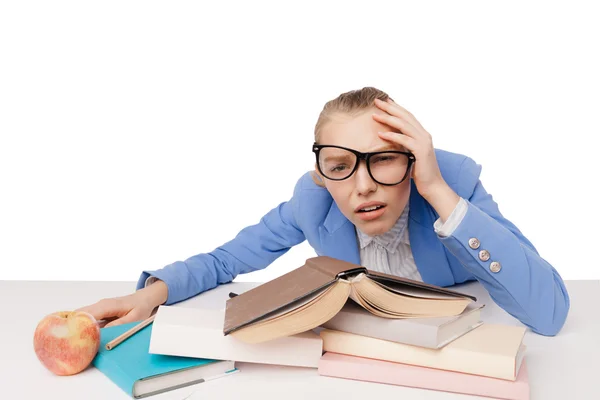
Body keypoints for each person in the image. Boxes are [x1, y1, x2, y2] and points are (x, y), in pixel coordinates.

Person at [77, 87, 570, 336]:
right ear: (321, 172)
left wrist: (437, 188)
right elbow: (226, 260)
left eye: (384, 160)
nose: (362, 186)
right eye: (339, 165)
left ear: (412, 159)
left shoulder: (451, 181)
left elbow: (548, 314)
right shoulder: (312, 201)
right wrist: (153, 295)